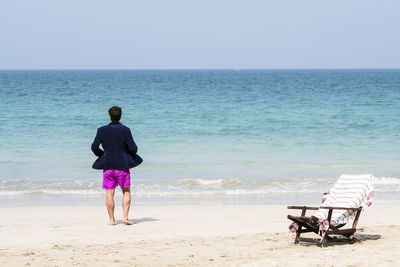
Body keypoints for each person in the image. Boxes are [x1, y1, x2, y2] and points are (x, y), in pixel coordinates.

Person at [91, 106, 142, 225]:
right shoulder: (125, 130)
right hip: (122, 166)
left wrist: (103, 155)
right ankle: (125, 218)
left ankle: (111, 220)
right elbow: (133, 148)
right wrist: (128, 153)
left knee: (109, 192)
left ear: (109, 116)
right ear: (120, 116)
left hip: (108, 166)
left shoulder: (101, 130)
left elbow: (94, 147)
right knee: (126, 191)